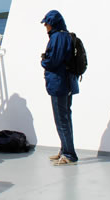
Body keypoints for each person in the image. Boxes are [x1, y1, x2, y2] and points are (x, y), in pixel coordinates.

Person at [40, 10, 79, 166]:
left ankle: (69, 154)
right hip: (67, 81)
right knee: (66, 116)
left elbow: (53, 61)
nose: (45, 27)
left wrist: (43, 61)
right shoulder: (66, 35)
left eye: (47, 24)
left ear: (53, 23)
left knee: (61, 119)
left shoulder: (57, 38)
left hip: (59, 83)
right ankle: (65, 150)